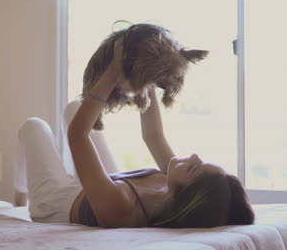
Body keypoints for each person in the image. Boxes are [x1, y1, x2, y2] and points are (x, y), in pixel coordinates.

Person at [16, 38, 254, 228]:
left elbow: (77, 136)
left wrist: (112, 72)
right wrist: (145, 77)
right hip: (99, 186)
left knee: (34, 126)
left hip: (57, 202)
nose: (192, 156)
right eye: (200, 161)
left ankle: (20, 197)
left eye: (194, 167)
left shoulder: (123, 208)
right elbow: (153, 135)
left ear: (183, 196)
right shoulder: (170, 181)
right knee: (74, 109)